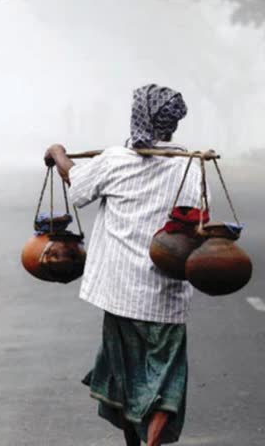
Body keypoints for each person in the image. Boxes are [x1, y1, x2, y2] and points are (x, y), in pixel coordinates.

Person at [44, 84, 203, 446]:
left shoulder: (116, 160)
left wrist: (57, 153)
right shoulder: (190, 166)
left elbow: (77, 184)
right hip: (165, 294)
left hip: (120, 293)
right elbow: (197, 219)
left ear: (138, 117)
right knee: (165, 379)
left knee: (127, 376)